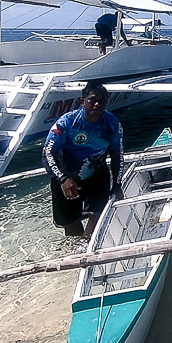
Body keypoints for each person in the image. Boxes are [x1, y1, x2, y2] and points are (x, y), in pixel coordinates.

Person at [42, 82, 124, 237]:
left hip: (97, 173)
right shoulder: (66, 123)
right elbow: (48, 153)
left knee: (97, 214)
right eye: (93, 100)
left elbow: (117, 154)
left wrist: (117, 184)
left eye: (102, 100)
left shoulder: (113, 124)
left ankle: (88, 245)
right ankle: (75, 251)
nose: (97, 104)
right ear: (83, 101)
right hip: (67, 176)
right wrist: (62, 178)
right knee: (70, 221)